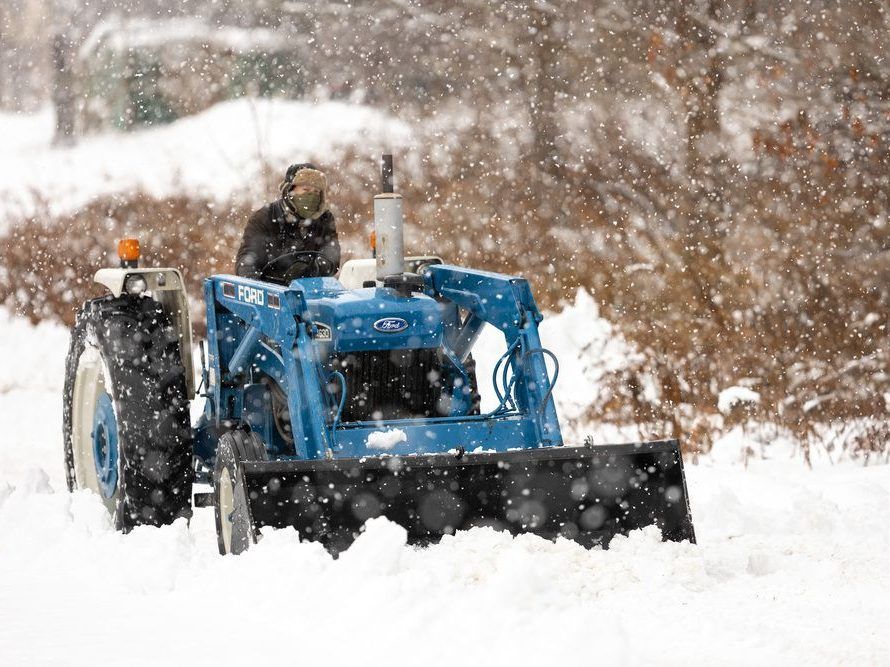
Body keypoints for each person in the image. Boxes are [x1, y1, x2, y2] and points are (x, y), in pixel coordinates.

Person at [235, 163, 340, 281]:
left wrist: (313, 268)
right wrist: (258, 286)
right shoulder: (264, 217)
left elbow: (331, 257)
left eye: (316, 192)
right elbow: (247, 260)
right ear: (289, 190)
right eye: (306, 190)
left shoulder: (324, 219)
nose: (311, 196)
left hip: (312, 290)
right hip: (270, 290)